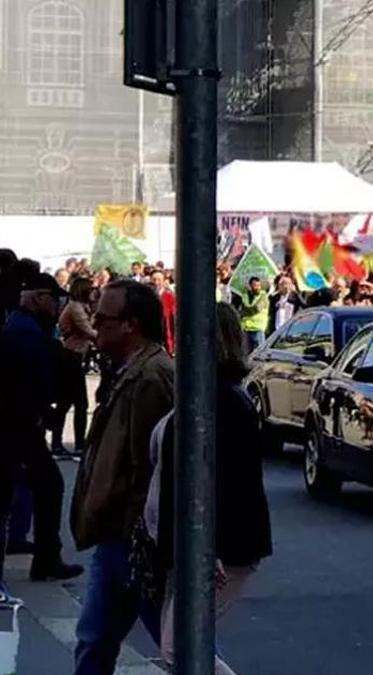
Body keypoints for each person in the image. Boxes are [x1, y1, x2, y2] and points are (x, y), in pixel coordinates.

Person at [147, 303, 273, 673]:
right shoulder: (209, 393)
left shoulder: (220, 400)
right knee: (181, 644)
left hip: (216, 547)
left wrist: (209, 547)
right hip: (191, 544)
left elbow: (226, 482)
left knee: (179, 647)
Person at [71, 280, 174, 674]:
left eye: (103, 320)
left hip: (133, 540)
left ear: (130, 325)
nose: (96, 327)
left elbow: (149, 467)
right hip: (119, 536)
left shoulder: (150, 378)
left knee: (177, 647)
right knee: (94, 641)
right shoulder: (131, 371)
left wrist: (140, 536)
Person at [0, 273, 85, 603]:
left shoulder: (25, 327)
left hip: (20, 424)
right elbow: (23, 382)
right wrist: (41, 415)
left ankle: (47, 558)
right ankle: (47, 559)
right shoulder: (24, 332)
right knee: (45, 486)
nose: (56, 304)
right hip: (18, 425)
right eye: (52, 298)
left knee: (42, 487)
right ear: (37, 297)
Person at [54, 276, 97, 455]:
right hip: (71, 357)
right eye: (91, 289)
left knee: (70, 402)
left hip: (75, 356)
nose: (94, 292)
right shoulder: (76, 308)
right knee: (77, 403)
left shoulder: (81, 307)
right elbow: (87, 330)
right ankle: (77, 444)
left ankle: (63, 442)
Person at [232, 276, 270, 352]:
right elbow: (239, 310)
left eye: (258, 285)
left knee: (259, 353)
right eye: (255, 285)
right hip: (246, 329)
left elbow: (256, 309)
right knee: (246, 353)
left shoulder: (263, 297)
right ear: (250, 286)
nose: (257, 288)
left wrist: (244, 310)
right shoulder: (245, 296)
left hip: (258, 329)